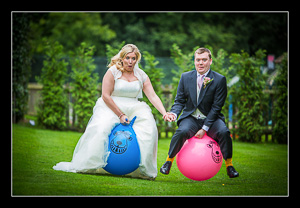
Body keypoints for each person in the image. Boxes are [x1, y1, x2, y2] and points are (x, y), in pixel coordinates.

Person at [53, 44, 172, 180]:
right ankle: (90, 163)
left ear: (137, 59)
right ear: (122, 58)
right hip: (112, 106)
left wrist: (164, 112)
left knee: (150, 129)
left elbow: (153, 96)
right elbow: (105, 95)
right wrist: (120, 115)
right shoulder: (113, 72)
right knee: (101, 128)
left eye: (133, 58)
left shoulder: (141, 75)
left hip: (135, 107)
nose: (130, 61)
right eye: (127, 58)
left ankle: (144, 169)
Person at [161, 47, 239, 178]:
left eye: (204, 60)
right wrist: (174, 113)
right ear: (194, 61)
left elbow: (216, 107)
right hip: (191, 118)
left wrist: (205, 128)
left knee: (224, 132)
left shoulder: (219, 80)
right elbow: (179, 100)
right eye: (198, 60)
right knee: (181, 131)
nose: (201, 63)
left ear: (210, 61)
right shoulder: (185, 77)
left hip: (211, 119)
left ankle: (229, 165)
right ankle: (168, 162)